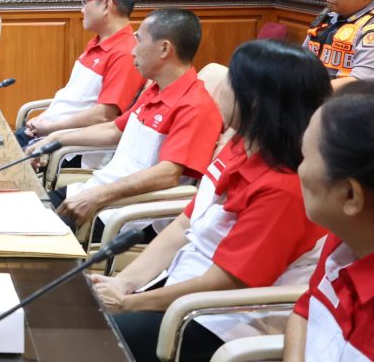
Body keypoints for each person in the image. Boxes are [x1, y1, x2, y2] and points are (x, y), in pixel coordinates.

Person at [91, 40, 331, 362]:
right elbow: (183, 226)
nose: (218, 88)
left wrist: (129, 303)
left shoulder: (284, 189)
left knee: (93, 338)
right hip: (182, 290)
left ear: (254, 101)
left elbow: (226, 282)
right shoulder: (240, 144)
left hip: (222, 318)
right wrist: (122, 283)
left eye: (231, 81)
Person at [27, 8, 223, 231]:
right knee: (19, 209)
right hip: (93, 195)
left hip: (124, 217)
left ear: (164, 48)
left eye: (139, 41)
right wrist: (55, 139)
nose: (132, 50)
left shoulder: (196, 106)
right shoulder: (156, 89)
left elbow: (168, 174)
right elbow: (114, 130)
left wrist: (97, 196)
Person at [284, 81, 374, 361]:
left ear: (350, 195)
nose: (299, 170)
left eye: (305, 156)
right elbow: (305, 309)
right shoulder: (345, 237)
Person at [16, 0, 144, 148]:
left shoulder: (126, 53)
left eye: (85, 2)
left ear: (106, 5)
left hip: (70, 146)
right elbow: (75, 99)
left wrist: (51, 128)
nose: (82, 9)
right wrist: (42, 119)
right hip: (48, 132)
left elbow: (104, 115)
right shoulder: (97, 42)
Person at [303, 0, 374, 89]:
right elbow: (302, 59)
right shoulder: (329, 15)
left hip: (347, 99)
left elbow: (360, 83)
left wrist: (306, 93)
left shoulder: (370, 26)